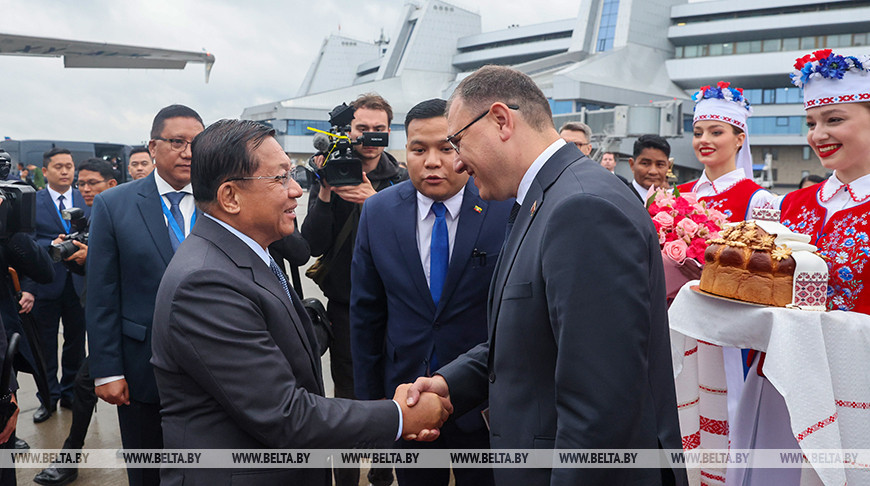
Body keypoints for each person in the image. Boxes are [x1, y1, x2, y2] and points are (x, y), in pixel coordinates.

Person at [406, 65, 687, 486]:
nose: (458, 162)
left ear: (501, 120)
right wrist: (451, 384)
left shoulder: (582, 208)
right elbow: (535, 337)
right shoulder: (549, 197)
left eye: (457, 142)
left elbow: (600, 407)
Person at [150, 118, 449, 485]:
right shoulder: (205, 283)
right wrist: (401, 415)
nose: (295, 190)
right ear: (230, 197)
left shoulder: (248, 255)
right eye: (280, 178)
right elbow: (284, 414)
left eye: (292, 175)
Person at [351, 99, 510, 486]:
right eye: (419, 149)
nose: (432, 162)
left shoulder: (503, 207)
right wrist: (374, 404)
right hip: (407, 398)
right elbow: (366, 315)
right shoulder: (378, 212)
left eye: (446, 148)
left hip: (485, 400)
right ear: (404, 151)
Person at [86, 104, 203, 486]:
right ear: (153, 146)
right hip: (143, 368)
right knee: (148, 470)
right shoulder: (114, 204)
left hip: (215, 366)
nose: (188, 152)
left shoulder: (221, 199)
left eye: (196, 143)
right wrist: (107, 370)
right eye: (177, 142)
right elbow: (102, 293)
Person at [301, 92, 407, 486]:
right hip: (346, 306)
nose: (370, 136)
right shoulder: (332, 170)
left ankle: (383, 471)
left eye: (379, 129)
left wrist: (374, 202)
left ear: (389, 132)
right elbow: (312, 245)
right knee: (346, 397)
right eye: (363, 128)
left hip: (396, 305)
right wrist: (326, 191)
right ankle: (345, 478)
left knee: (394, 391)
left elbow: (411, 244)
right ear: (348, 130)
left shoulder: (401, 180)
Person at [33, 159, 117, 486]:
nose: (85, 189)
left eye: (92, 183)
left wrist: (90, 257)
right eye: (82, 184)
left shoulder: (123, 212)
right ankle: (69, 456)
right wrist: (76, 258)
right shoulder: (93, 215)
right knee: (84, 383)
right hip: (106, 316)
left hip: (140, 320)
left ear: (111, 185)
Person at [23, 147, 90, 424]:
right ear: (45, 170)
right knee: (45, 347)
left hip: (78, 283)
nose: (65, 171)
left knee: (76, 343)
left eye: (69, 166)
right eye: (59, 166)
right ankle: (48, 398)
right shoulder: (32, 201)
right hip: (45, 283)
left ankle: (71, 393)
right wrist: (50, 246)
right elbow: (24, 242)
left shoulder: (85, 198)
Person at [676, 82, 779, 222]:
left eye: (716, 132)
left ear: (739, 139)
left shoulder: (758, 200)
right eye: (698, 133)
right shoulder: (676, 194)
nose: (704, 140)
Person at [628, 135, 672, 202]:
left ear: (668, 167)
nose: (653, 171)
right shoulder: (619, 200)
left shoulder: (674, 202)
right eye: (645, 163)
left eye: (660, 164)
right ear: (632, 165)